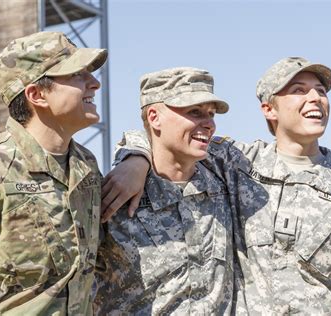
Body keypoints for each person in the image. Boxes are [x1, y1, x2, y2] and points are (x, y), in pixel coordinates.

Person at [107, 57, 331, 314]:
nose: (315, 98)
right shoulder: (238, 163)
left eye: (321, 90)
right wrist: (135, 159)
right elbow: (165, 136)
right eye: (299, 90)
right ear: (269, 109)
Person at [0, 31, 143, 315]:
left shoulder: (84, 166)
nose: (95, 83)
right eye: (77, 75)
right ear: (37, 95)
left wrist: (138, 157)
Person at [94, 67, 242, 315]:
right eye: (194, 112)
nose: (208, 124)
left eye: (211, 114)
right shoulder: (116, 194)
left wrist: (135, 155)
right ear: (154, 117)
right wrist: (136, 158)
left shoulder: (227, 180)